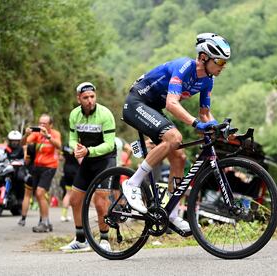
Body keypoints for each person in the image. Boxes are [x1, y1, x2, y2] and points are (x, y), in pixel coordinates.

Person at [121, 33, 231, 232]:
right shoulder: (184, 67)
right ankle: (132, 183)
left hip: (154, 109)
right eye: (220, 61)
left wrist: (217, 127)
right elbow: (172, 104)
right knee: (174, 137)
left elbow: (205, 113)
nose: (223, 66)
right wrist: (196, 124)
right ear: (204, 57)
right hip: (137, 102)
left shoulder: (208, 80)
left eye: (225, 62)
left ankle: (171, 214)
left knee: (179, 157)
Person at [60, 82, 116, 252]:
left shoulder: (105, 114)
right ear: (79, 99)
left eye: (92, 96)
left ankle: (105, 239)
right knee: (74, 200)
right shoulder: (74, 115)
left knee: (100, 202)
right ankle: (80, 239)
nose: (90, 100)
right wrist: (75, 148)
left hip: (105, 160)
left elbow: (109, 144)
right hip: (87, 158)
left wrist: (87, 151)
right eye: (85, 98)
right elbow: (71, 138)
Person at [21, 114, 62, 232]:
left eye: (44, 123)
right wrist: (26, 134)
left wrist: (48, 136)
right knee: (39, 196)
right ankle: (46, 221)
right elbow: (23, 143)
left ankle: (44, 223)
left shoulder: (55, 133)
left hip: (50, 167)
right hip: (37, 167)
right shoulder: (36, 134)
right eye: (40, 123)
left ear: (50, 125)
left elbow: (59, 146)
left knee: (39, 193)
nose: (41, 126)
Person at [59, 144, 79, 222]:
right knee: (79, 194)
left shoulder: (66, 145)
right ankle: (78, 216)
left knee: (68, 193)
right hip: (76, 171)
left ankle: (64, 215)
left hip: (66, 170)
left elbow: (60, 158)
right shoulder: (78, 145)